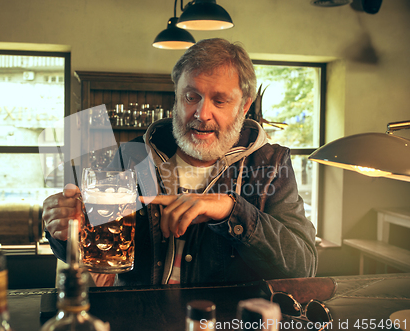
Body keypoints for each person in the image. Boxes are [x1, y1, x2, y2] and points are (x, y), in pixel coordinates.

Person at [43, 38, 318, 286]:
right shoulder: (132, 157)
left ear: (244, 106)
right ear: (176, 96)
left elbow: (303, 266)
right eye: (191, 96)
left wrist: (230, 210)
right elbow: (95, 251)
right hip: (141, 319)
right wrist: (65, 231)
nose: (202, 113)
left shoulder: (271, 165)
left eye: (219, 101)